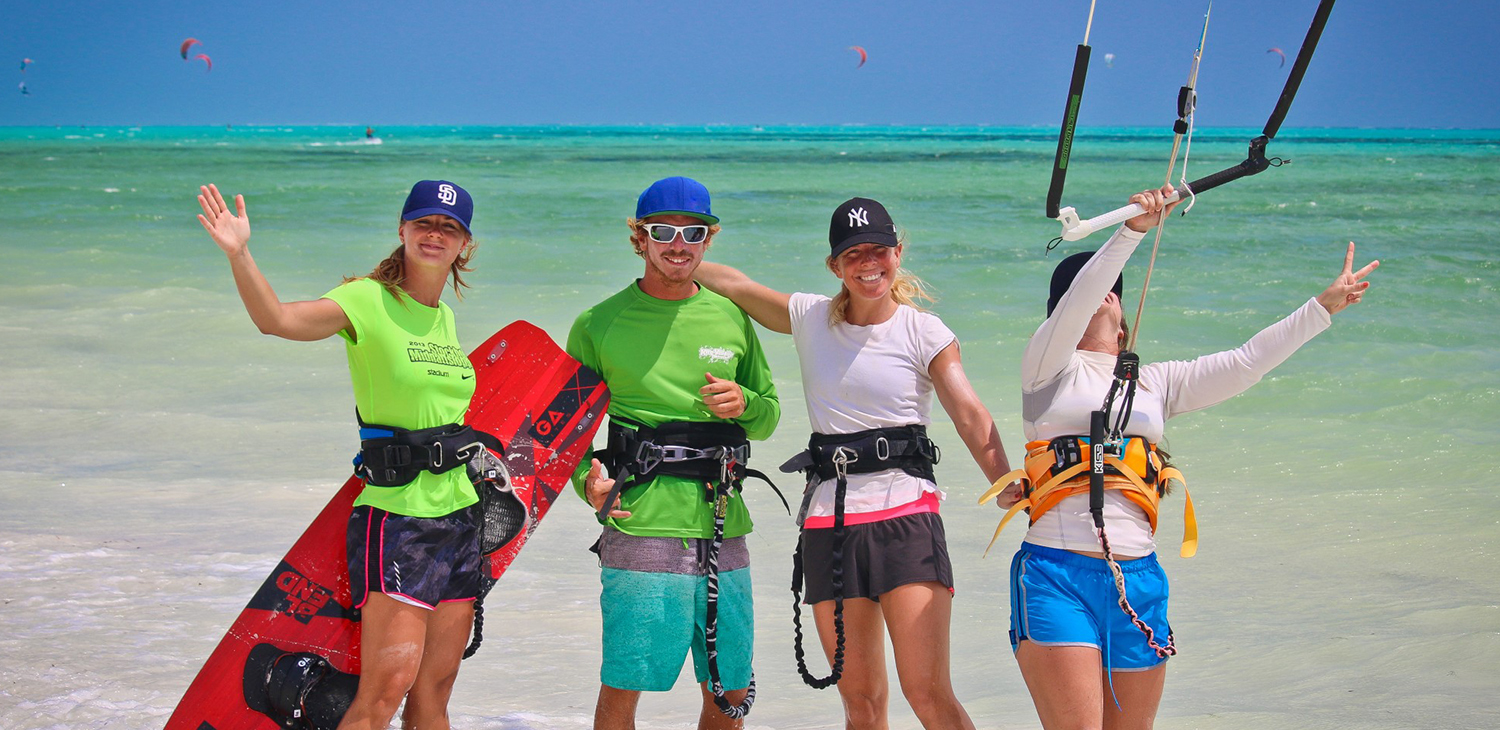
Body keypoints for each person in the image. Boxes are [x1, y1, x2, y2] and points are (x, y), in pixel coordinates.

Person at [983, 185, 1378, 729]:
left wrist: (1321, 309)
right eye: (1078, 292)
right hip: (1055, 573)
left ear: (1123, 321)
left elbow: (1245, 363)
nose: (1095, 295)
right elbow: (1081, 296)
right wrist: (1132, 230)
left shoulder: (1156, 384)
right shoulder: (1046, 370)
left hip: (1138, 577)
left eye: (1108, 293)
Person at [695, 197, 1012, 729]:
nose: (870, 263)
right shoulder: (810, 317)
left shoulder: (923, 331)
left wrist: (1004, 481)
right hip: (829, 526)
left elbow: (970, 415)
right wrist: (670, 253)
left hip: (905, 520)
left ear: (898, 252)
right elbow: (734, 285)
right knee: (861, 702)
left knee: (928, 694)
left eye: (880, 250)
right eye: (854, 253)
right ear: (835, 266)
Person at [197, 180, 490, 730]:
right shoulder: (366, 299)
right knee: (383, 695)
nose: (435, 234)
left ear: (464, 245)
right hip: (399, 519)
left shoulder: (444, 319)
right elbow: (277, 320)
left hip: (459, 517)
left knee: (436, 690)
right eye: (424, 222)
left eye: (449, 227)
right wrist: (239, 254)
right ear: (402, 230)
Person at [567, 176, 781, 730]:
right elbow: (563, 437)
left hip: (723, 522)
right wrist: (586, 484)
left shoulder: (731, 316)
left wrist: (744, 402)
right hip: (639, 520)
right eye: (663, 231)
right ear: (640, 238)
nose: (678, 243)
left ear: (709, 239)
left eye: (693, 231)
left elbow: (771, 413)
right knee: (626, 682)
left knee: (730, 686)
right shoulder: (597, 324)